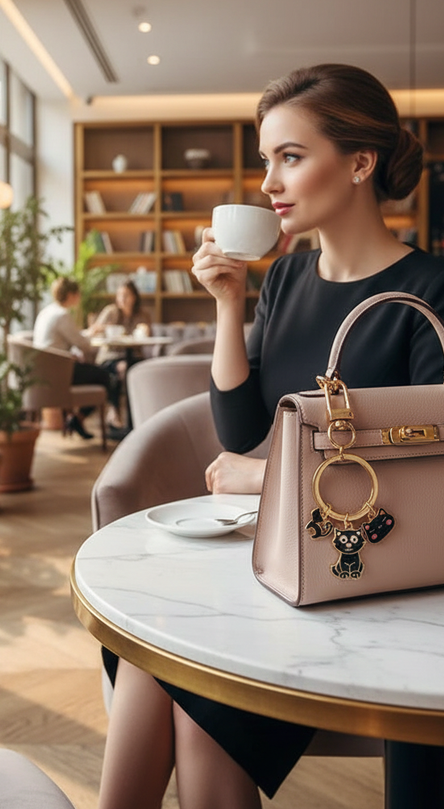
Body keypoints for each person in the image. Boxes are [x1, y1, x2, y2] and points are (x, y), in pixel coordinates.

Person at [96, 64, 444, 809]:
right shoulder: (286, 281)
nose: (267, 184)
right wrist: (230, 304)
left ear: (359, 162)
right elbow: (242, 427)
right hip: (287, 559)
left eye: (290, 157)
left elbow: (428, 465)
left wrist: (267, 476)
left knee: (189, 702)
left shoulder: (426, 293)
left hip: (371, 572)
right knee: (155, 652)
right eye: (266, 160)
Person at [33, 276, 112, 440]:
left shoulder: (47, 312)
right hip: (59, 373)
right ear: (70, 295)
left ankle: (77, 419)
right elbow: (84, 345)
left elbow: (69, 339)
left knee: (95, 372)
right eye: (78, 294)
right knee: (105, 376)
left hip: (43, 371)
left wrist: (86, 335)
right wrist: (91, 335)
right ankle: (78, 418)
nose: (79, 297)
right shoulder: (62, 315)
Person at [88, 279, 152, 429]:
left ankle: (137, 416)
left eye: (126, 295)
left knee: (137, 369)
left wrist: (146, 331)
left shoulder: (142, 315)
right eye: (120, 295)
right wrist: (102, 328)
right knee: (121, 369)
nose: (122, 299)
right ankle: (115, 413)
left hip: (135, 357)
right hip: (110, 357)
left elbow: (147, 337)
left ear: (134, 297)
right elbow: (93, 333)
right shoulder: (110, 312)